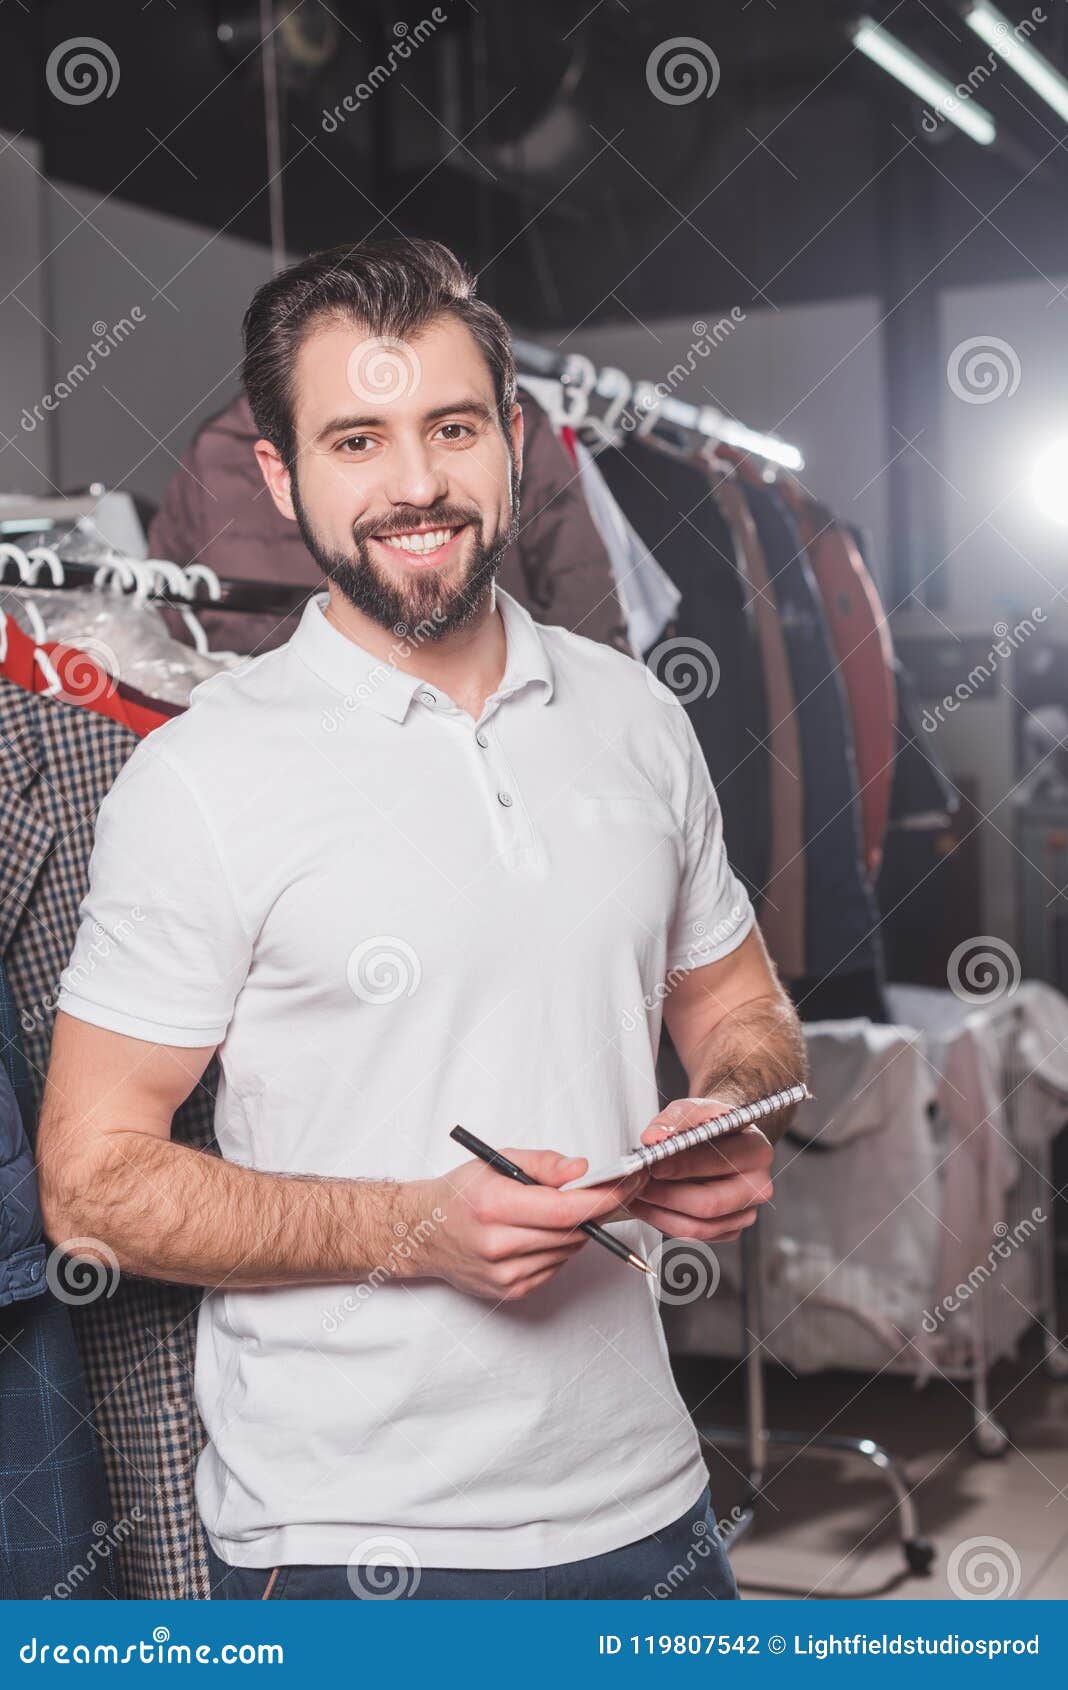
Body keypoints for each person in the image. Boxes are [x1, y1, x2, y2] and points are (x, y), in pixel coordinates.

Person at [37, 237, 805, 1603]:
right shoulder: (200, 775)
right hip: (351, 1539)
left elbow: (740, 1007)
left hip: (654, 1501)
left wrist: (735, 1113)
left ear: (513, 442)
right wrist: (413, 1228)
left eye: (452, 428)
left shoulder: (637, 714)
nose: (416, 484)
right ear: (281, 476)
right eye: (356, 440)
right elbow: (90, 1183)